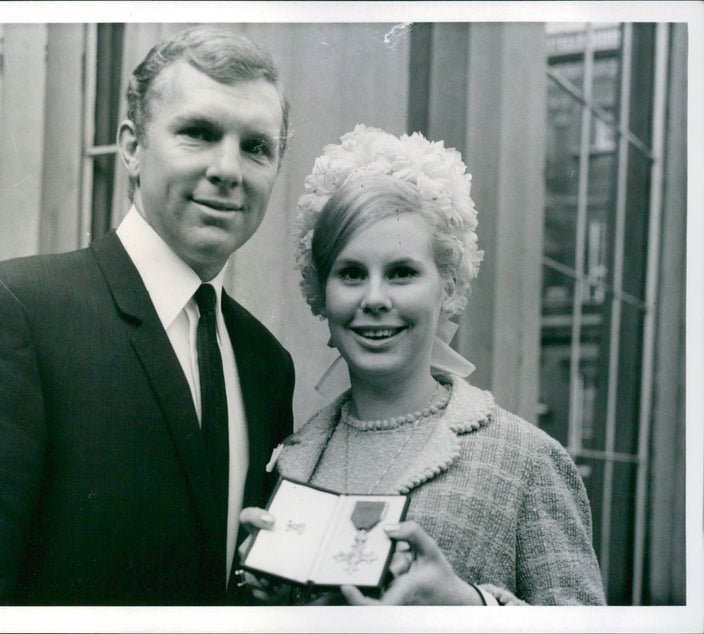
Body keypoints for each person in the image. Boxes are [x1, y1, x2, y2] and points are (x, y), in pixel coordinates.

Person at [0, 26, 294, 606]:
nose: (229, 169)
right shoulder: (13, 311)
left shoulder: (266, 363)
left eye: (257, 147)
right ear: (131, 147)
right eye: (198, 133)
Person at [239, 124, 605, 605]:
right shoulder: (293, 457)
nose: (374, 298)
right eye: (351, 273)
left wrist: (468, 606)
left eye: (402, 273)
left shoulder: (526, 461)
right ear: (320, 294)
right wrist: (258, 584)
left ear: (447, 287)